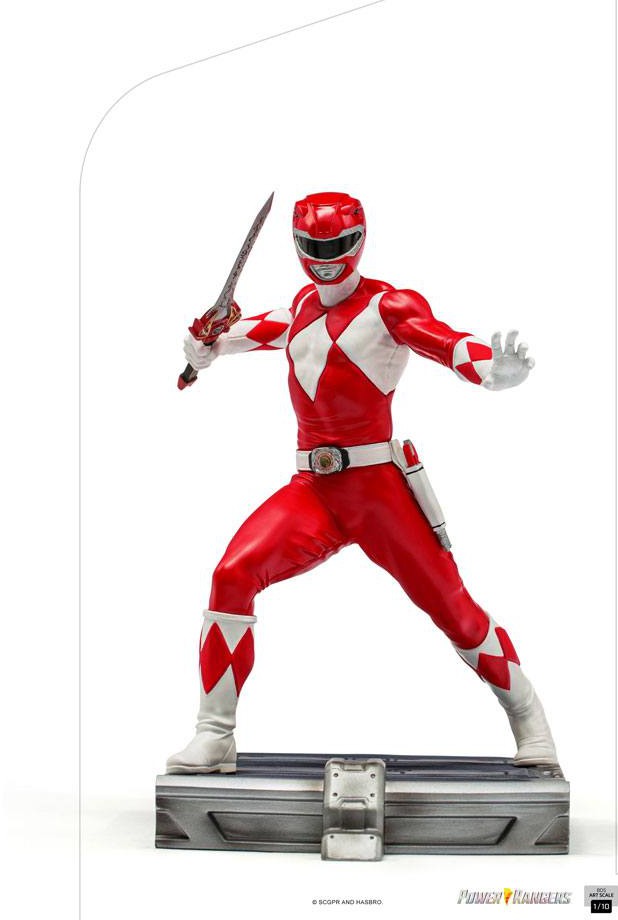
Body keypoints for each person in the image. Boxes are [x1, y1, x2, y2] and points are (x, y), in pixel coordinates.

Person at [166, 191, 558, 774]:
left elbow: (443, 340)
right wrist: (205, 345)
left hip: (377, 491)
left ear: (359, 240)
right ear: (298, 245)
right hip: (313, 491)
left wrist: (488, 368)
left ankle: (531, 722)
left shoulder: (389, 307)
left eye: (338, 246)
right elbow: (243, 335)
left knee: (455, 610)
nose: (326, 260)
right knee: (232, 576)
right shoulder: (302, 306)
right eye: (314, 247)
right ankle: (214, 733)